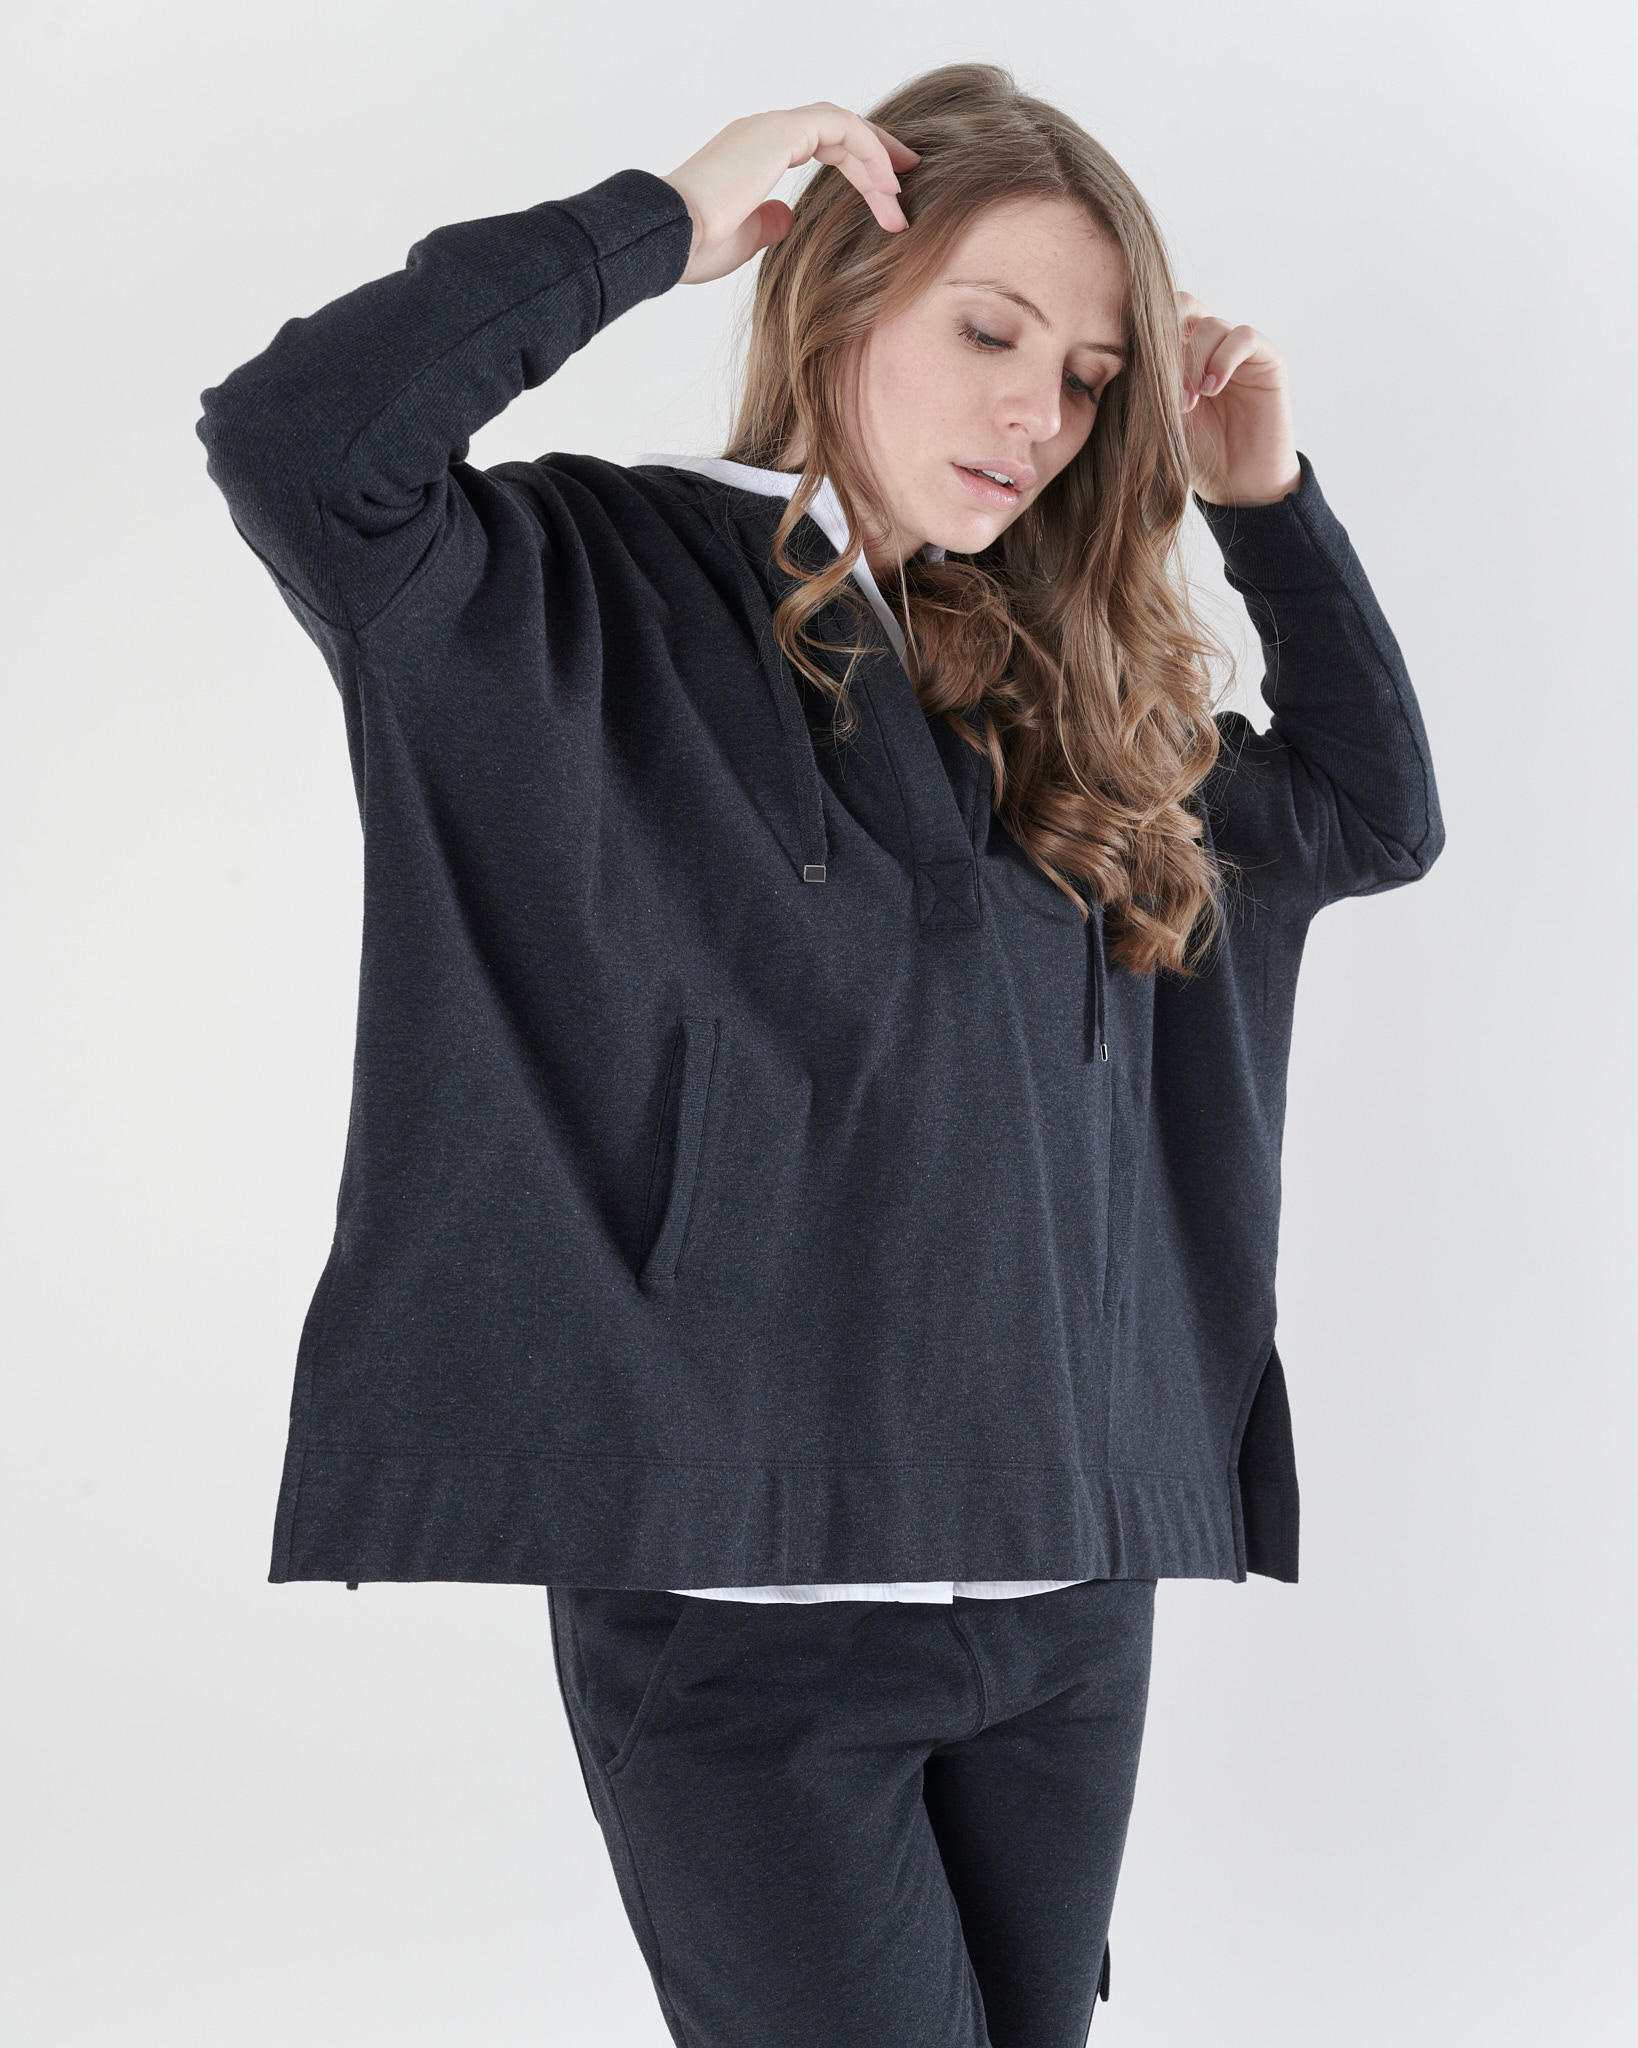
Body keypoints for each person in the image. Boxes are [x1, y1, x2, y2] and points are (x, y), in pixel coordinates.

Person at [198, 60, 1444, 2048]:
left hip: (1062, 1599)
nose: (1039, 416)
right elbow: (298, 438)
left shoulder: (1056, 692)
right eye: (989, 332)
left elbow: (1369, 818)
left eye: (1090, 377)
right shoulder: (583, 587)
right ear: (843, 298)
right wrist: (660, 222)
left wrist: (1263, 507)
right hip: (747, 1612)